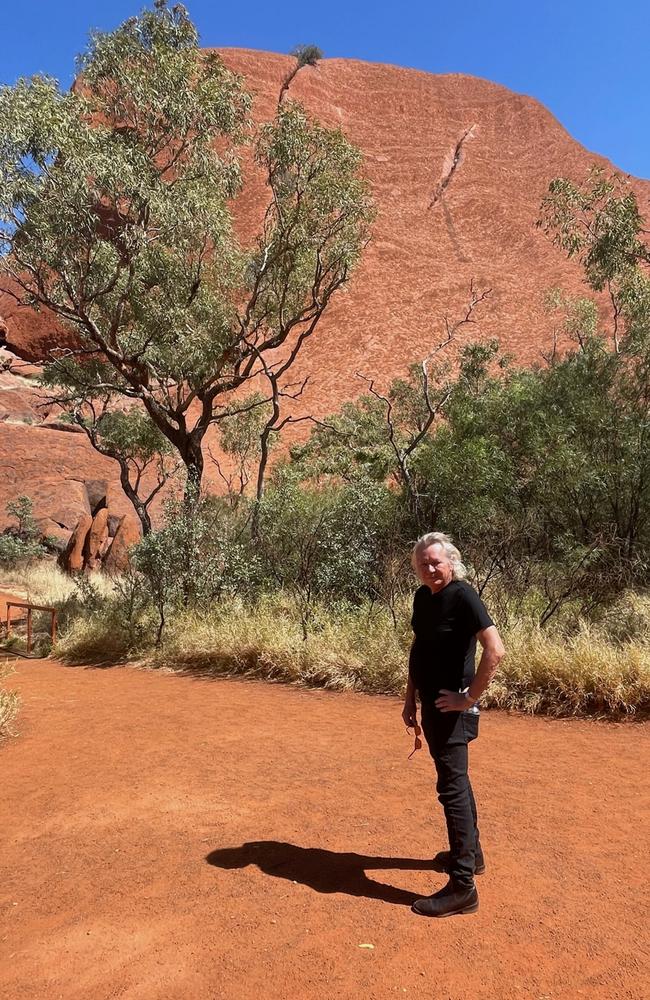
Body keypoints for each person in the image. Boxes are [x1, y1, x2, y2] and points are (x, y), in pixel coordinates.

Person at [403, 531, 505, 917]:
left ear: (451, 562)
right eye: (423, 563)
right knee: (456, 783)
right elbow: (420, 648)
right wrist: (410, 695)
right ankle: (472, 855)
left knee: (452, 789)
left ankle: (463, 885)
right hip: (430, 705)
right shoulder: (422, 598)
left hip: (452, 710)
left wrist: (468, 698)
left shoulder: (463, 596)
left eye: (436, 562)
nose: (430, 569)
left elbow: (495, 649)